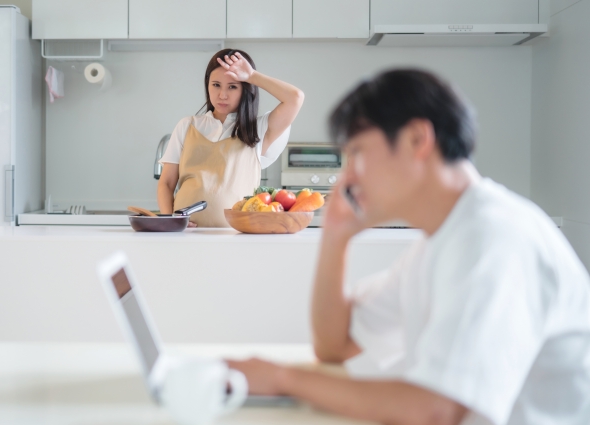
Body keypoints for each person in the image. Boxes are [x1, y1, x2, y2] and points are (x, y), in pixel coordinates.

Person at [228, 69, 590, 425]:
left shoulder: (493, 236)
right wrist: (336, 237)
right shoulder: (442, 240)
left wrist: (282, 379)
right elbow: (335, 346)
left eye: (357, 152)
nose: (347, 176)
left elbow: (435, 410)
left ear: (417, 139)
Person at [157, 49, 304, 227]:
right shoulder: (187, 126)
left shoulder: (258, 129)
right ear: (207, 85)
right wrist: (170, 220)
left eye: (232, 86)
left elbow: (295, 98)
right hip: (187, 234)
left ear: (245, 89)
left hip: (237, 237)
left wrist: (251, 75)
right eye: (216, 85)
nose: (222, 95)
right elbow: (166, 183)